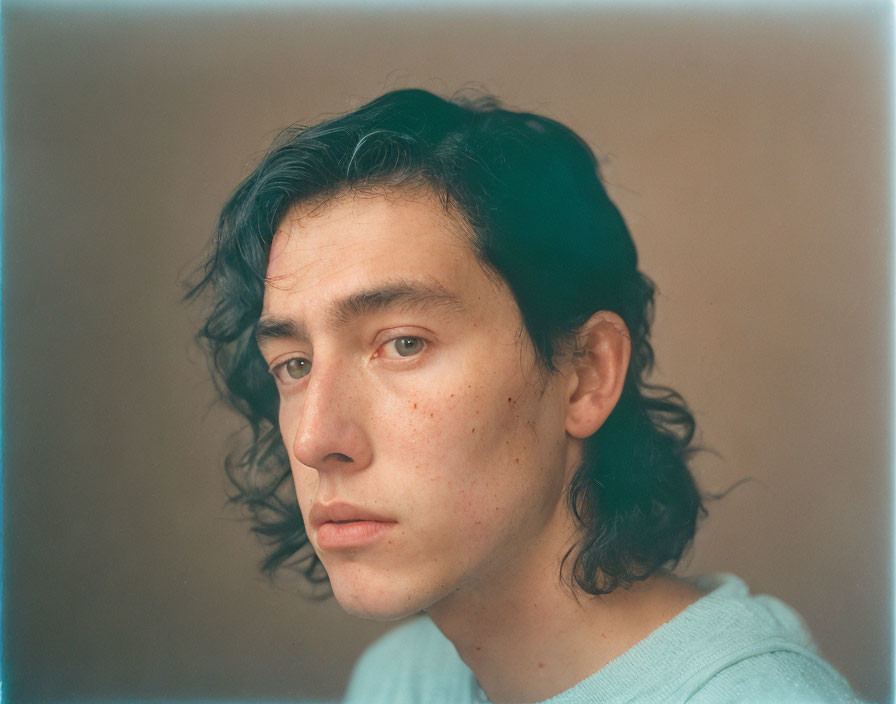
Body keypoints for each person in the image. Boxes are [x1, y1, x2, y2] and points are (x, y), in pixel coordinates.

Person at [189, 89, 862, 703]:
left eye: (403, 343)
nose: (313, 439)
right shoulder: (398, 684)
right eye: (295, 363)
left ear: (586, 373)